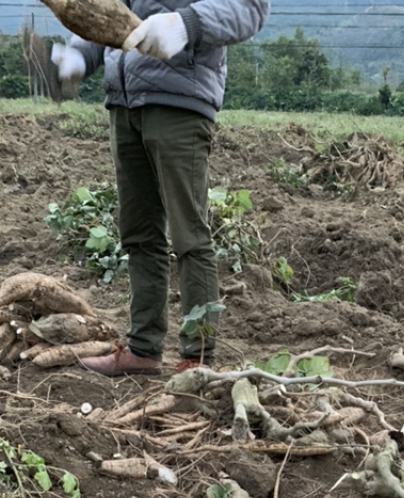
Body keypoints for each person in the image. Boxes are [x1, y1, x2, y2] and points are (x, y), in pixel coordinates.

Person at [51, 1, 269, 377]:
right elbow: (113, 13)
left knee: (190, 236)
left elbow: (249, 7)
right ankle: (143, 348)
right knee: (138, 233)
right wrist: (82, 52)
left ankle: (197, 359)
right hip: (124, 101)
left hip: (180, 102)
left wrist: (188, 24)